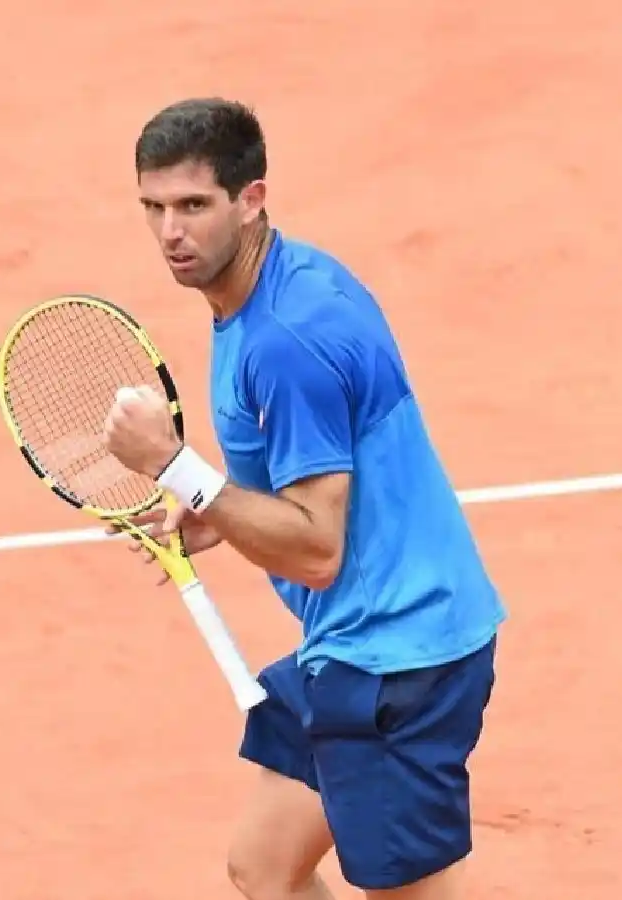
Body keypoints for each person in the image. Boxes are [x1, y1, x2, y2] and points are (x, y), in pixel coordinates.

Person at [102, 97, 508, 900]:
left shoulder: (285, 344)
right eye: (153, 207)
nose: (170, 233)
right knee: (265, 867)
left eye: (194, 206)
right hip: (365, 642)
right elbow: (321, 479)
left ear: (251, 199)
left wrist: (180, 469)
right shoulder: (290, 283)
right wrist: (221, 508)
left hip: (398, 663)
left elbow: (318, 552)